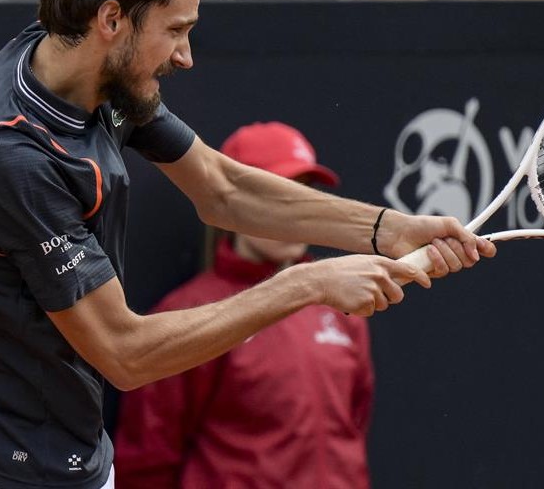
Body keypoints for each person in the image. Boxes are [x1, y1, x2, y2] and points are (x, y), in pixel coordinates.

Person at [0, 0, 496, 489]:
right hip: (8, 471)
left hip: (78, 452)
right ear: (111, 18)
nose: (186, 56)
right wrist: (305, 284)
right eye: (175, 30)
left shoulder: (82, 64)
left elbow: (223, 187)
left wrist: (388, 228)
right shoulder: (12, 158)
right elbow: (125, 353)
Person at [113, 121, 374, 489]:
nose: (295, 212)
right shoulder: (188, 312)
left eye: (305, 194)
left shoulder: (342, 304)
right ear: (235, 205)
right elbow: (147, 461)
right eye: (278, 195)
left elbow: (354, 423)